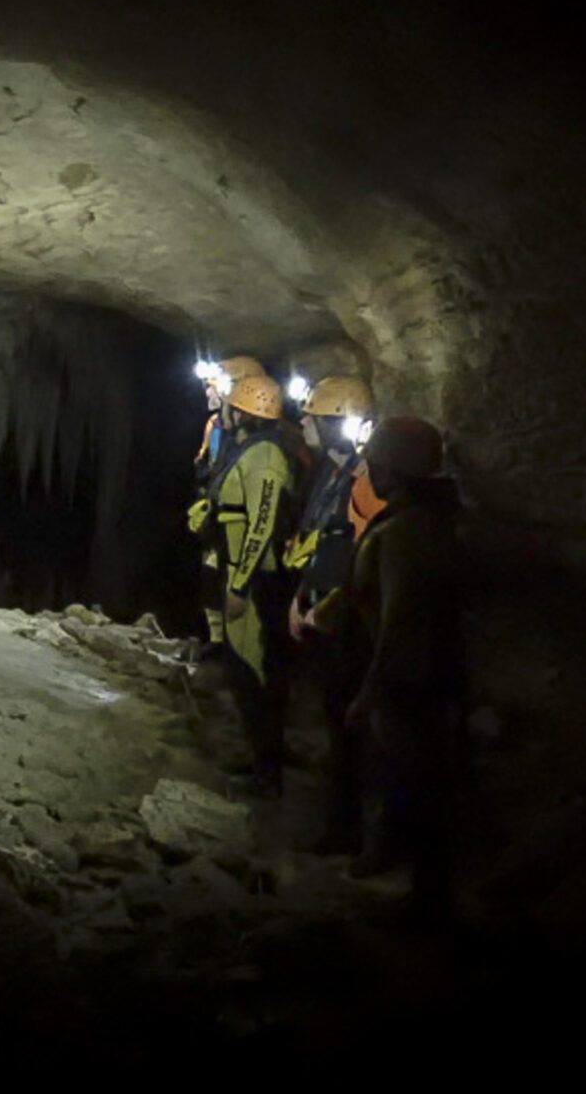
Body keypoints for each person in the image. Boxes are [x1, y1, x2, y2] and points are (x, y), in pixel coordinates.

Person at [305, 416, 465, 926]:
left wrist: (370, 690)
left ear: (394, 469)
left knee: (416, 784)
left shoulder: (407, 533)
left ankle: (428, 901)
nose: (369, 471)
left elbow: (399, 617)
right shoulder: (417, 523)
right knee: (404, 778)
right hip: (415, 673)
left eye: (375, 463)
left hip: (408, 679)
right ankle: (400, 866)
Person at [281, 375, 376, 852]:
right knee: (333, 721)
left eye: (312, 416)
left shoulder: (366, 482)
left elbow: (367, 562)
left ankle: (350, 830)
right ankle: (337, 818)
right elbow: (318, 540)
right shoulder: (330, 473)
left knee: (350, 732)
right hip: (320, 613)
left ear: (338, 423)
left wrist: (328, 610)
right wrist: (300, 597)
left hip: (350, 627)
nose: (302, 421)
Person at [208, 373, 297, 799]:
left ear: (243, 409)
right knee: (242, 671)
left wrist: (239, 586)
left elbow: (261, 523)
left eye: (231, 400)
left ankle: (269, 774)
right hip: (239, 567)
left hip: (258, 579)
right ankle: (260, 759)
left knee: (257, 673)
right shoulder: (251, 449)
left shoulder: (266, 457)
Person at [189, 355, 267, 661]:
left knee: (239, 595)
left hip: (245, 529)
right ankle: (217, 643)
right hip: (218, 520)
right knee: (210, 583)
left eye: (216, 386)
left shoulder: (264, 442)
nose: (209, 393)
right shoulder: (216, 426)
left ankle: (240, 660)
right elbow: (206, 465)